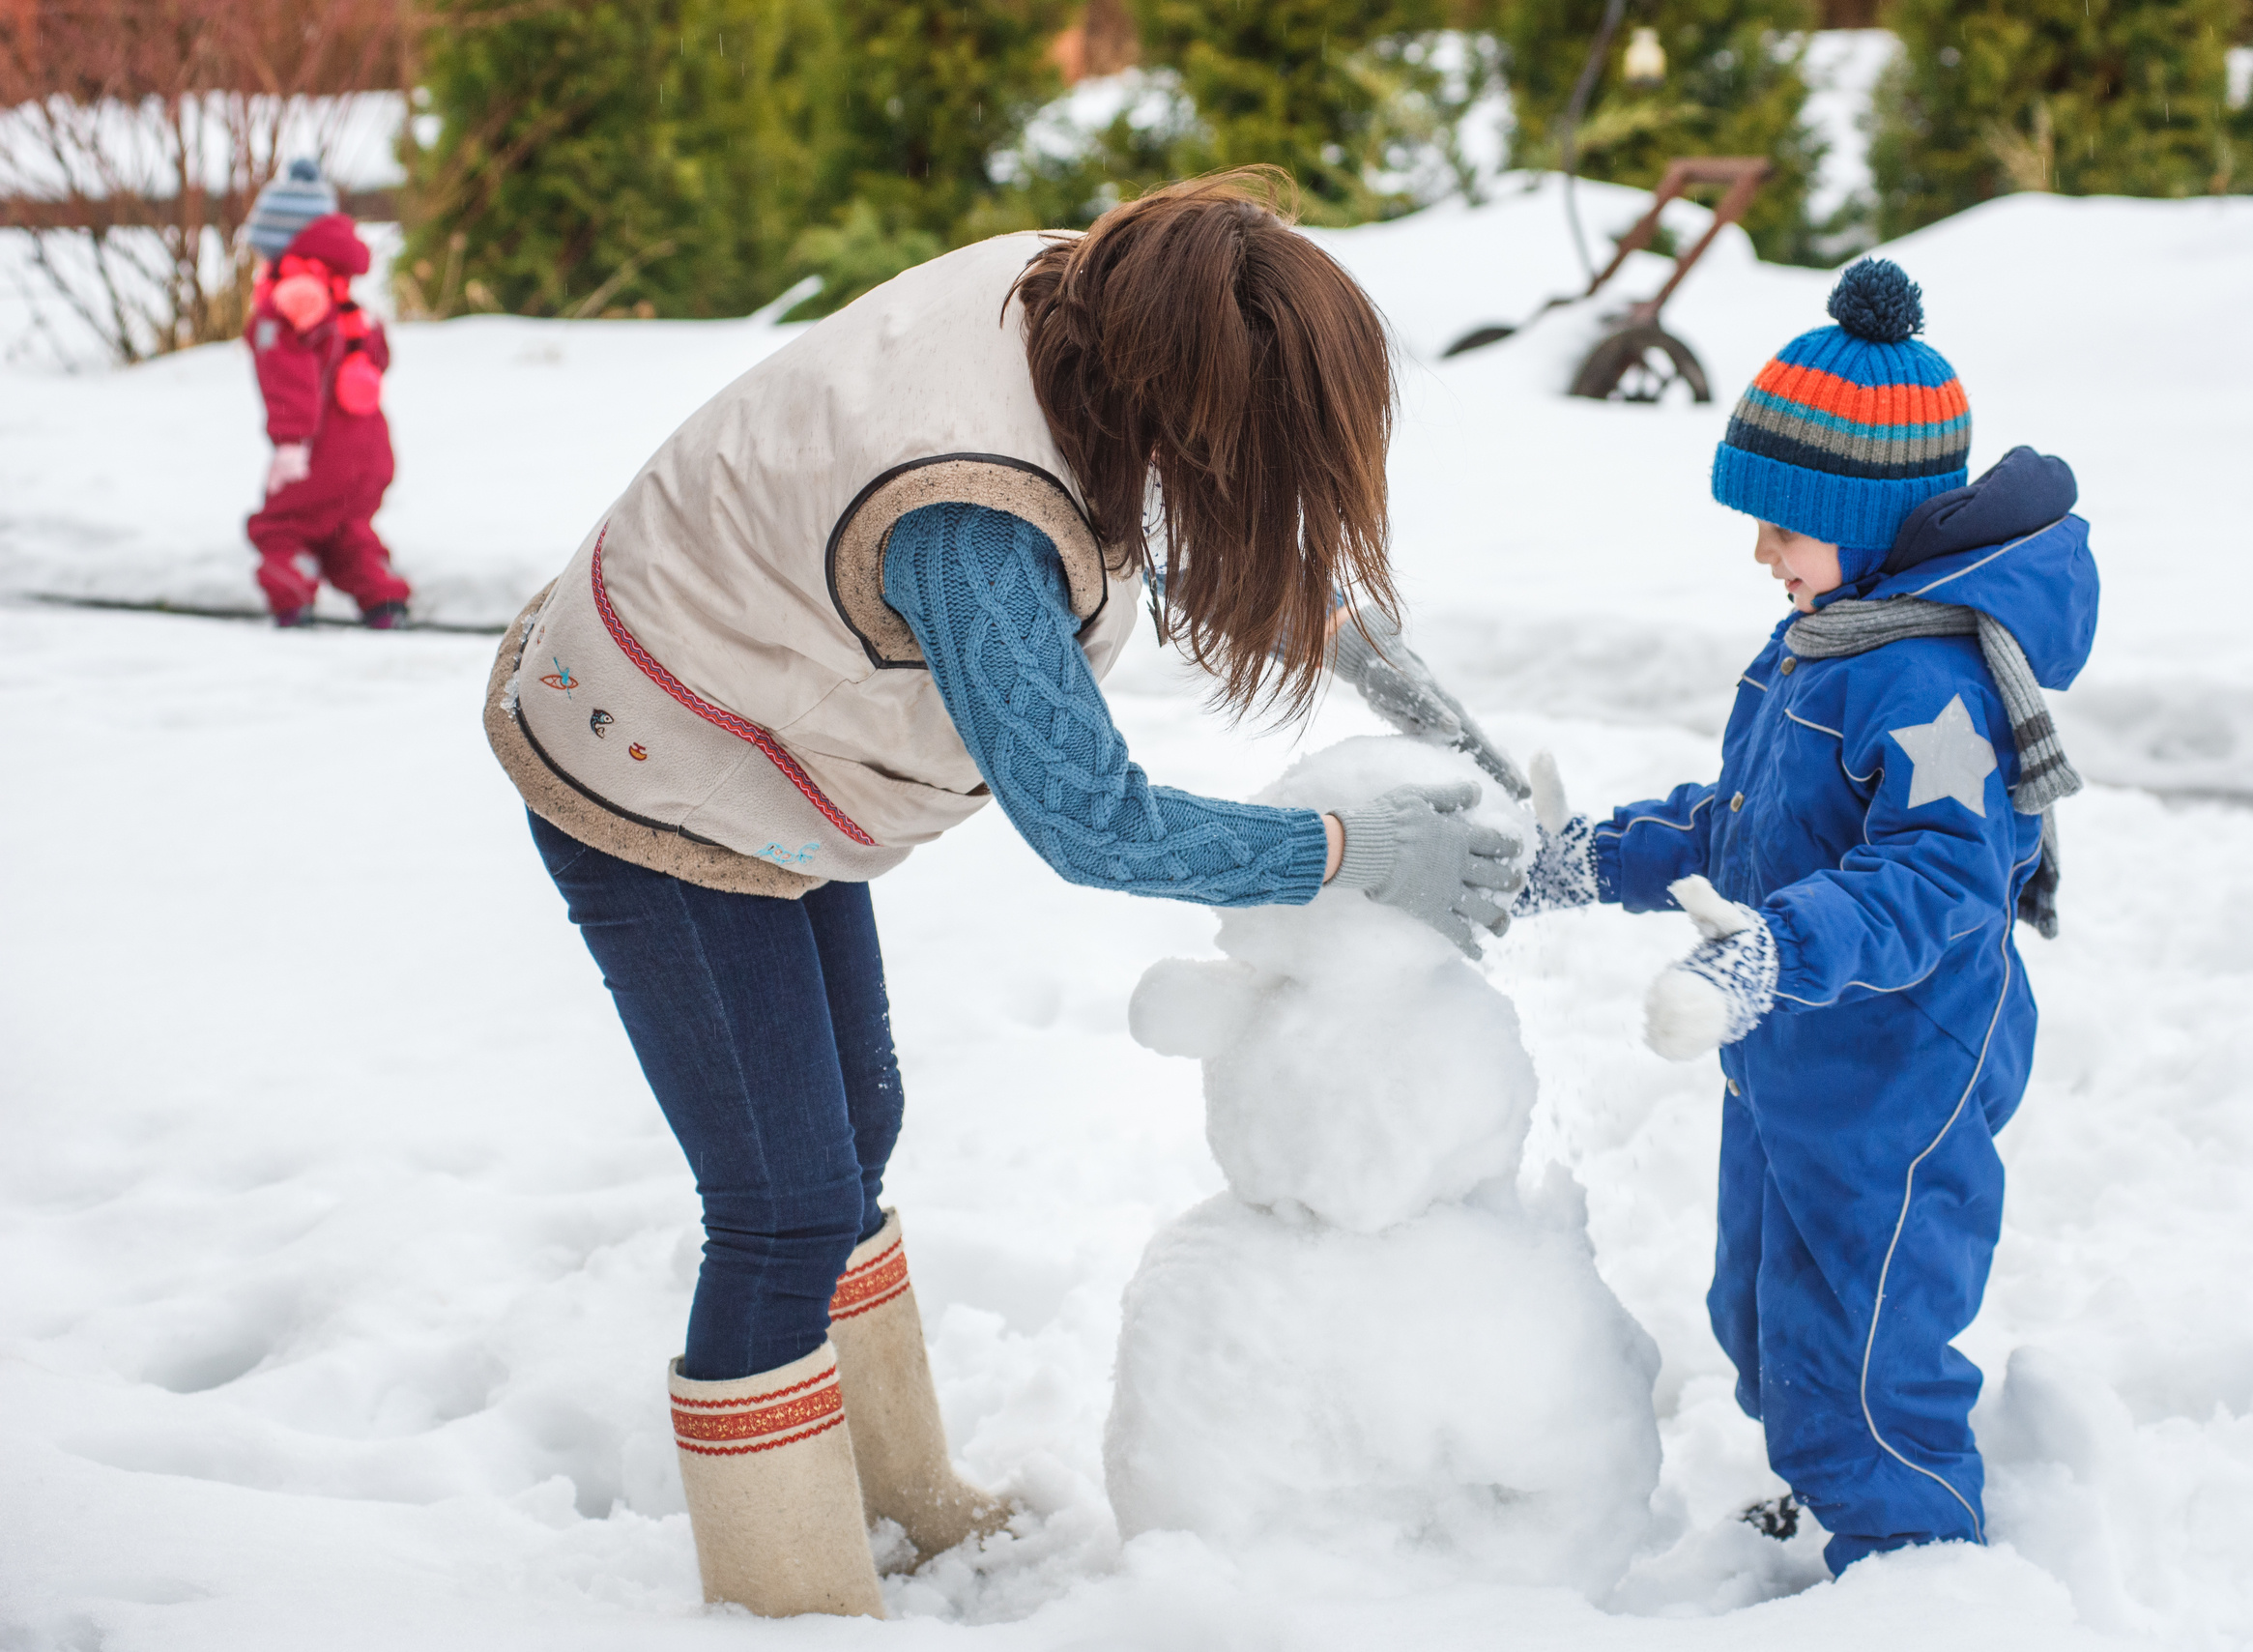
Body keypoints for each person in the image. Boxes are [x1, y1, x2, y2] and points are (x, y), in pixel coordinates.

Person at [481, 171, 1527, 1618]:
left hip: (764, 739)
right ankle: (790, 1599)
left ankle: (893, 1498)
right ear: (1189, 396)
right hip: (656, 768)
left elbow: (1200, 491)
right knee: (783, 1200)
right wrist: (1356, 852)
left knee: (858, 1129)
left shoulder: (1099, 306)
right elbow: (1094, 821)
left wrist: (1370, 664)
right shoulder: (970, 517)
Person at [1516, 259, 2098, 1575]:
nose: (1761, 552)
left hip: (1899, 1069)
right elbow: (1740, 824)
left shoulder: (1932, 682)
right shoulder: (1824, 643)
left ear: (1874, 518)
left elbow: (1941, 875)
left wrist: (1777, 951)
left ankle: (1912, 1568)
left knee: (1867, 1352)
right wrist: (1584, 861)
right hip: (1787, 1046)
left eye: (1786, 524)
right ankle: (1830, 1491)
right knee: (1760, 1316)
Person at [239, 160, 410, 628]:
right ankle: (383, 596)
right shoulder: (345, 298)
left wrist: (290, 445)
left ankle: (292, 591)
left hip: (320, 449)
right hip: (370, 447)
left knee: (282, 525)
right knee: (345, 529)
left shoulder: (287, 303)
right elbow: (376, 356)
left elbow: (288, 380)